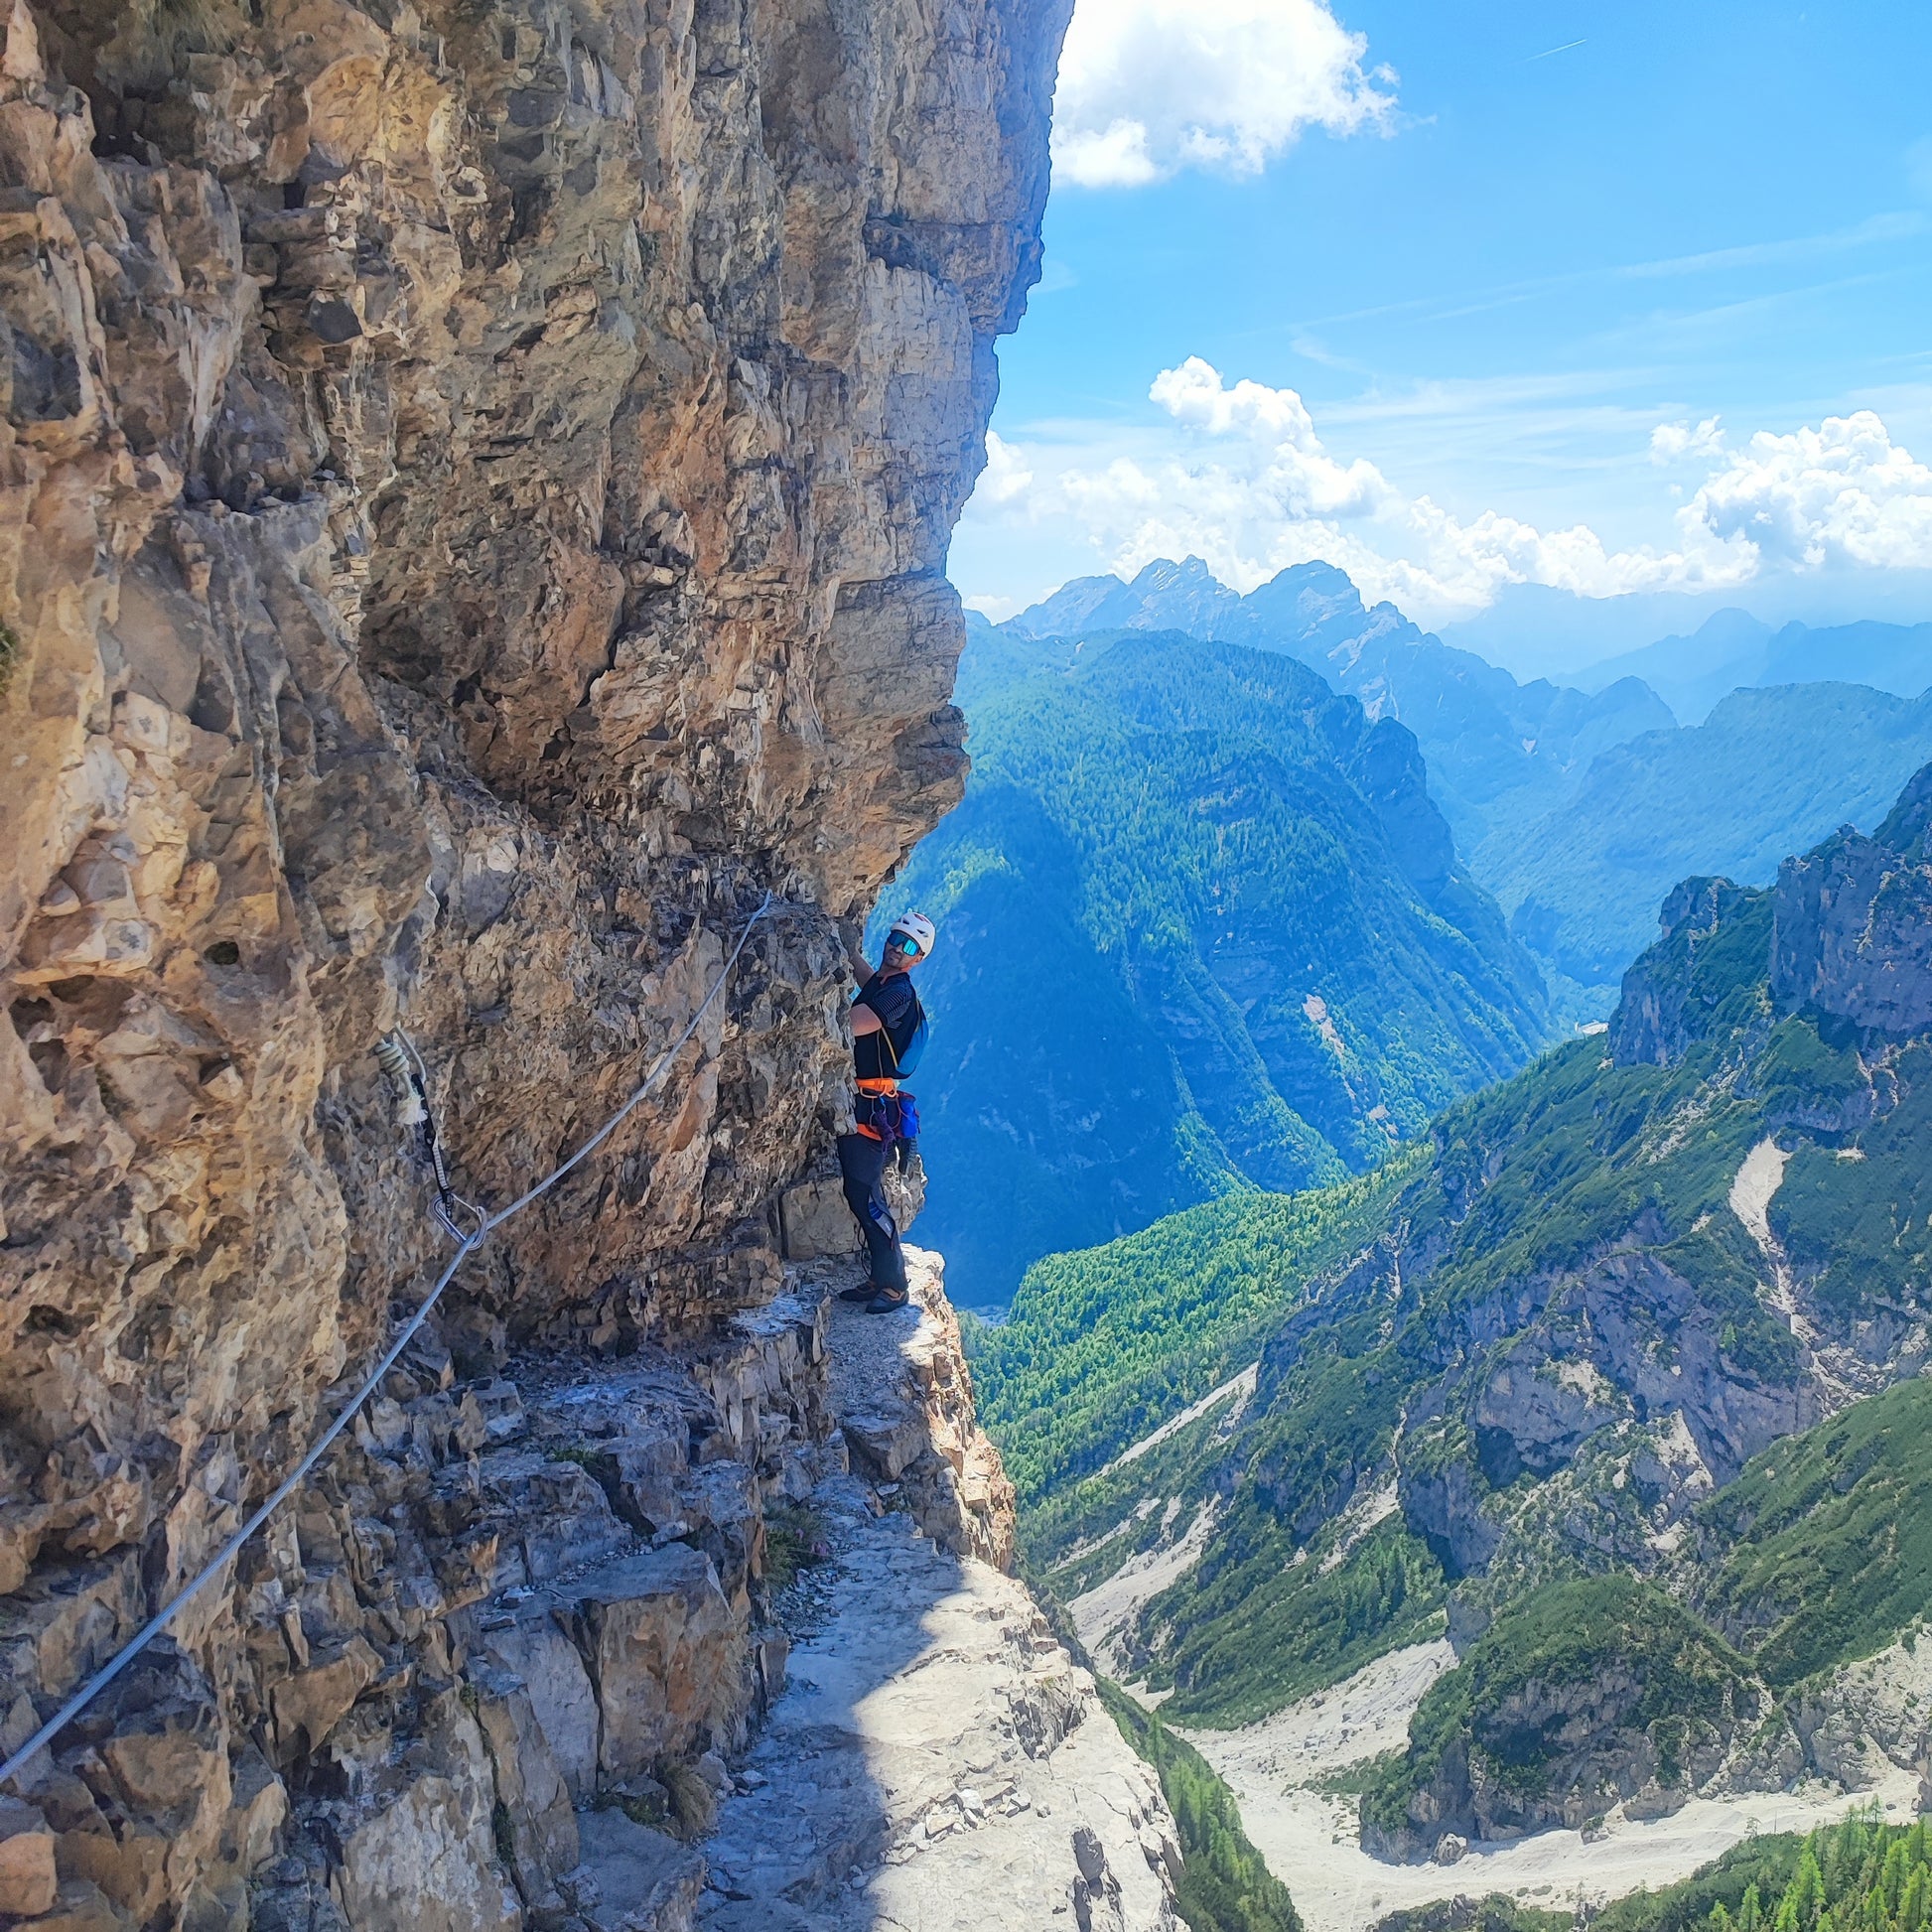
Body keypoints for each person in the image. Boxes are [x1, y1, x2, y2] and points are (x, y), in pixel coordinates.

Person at [836, 910, 934, 1313]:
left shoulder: (898, 994)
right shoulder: (887, 984)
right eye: (896, 937)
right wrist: (847, 951)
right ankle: (880, 1277)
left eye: (908, 946)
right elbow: (868, 981)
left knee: (866, 1196)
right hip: (869, 1101)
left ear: (918, 958)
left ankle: (894, 1285)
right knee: (860, 1194)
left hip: (869, 1106)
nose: (897, 948)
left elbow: (851, 1023)